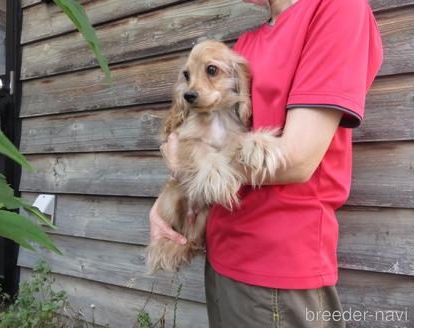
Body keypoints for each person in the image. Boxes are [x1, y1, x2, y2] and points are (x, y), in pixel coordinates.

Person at [151, 0, 383, 326]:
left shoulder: (338, 7)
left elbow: (297, 158)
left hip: (276, 266)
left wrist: (187, 168)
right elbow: (206, 138)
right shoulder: (245, 45)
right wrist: (173, 197)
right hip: (220, 252)